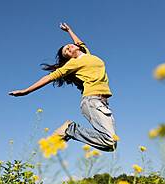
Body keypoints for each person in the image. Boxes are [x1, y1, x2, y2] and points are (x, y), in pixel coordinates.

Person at [9, 23, 117, 152]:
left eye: (68, 45)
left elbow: (79, 42)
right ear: (69, 57)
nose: (69, 47)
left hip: (103, 103)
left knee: (111, 145)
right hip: (92, 100)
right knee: (109, 140)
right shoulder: (73, 63)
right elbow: (50, 77)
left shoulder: (87, 54)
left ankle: (70, 130)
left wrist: (69, 30)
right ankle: (70, 129)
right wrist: (26, 91)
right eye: (66, 51)